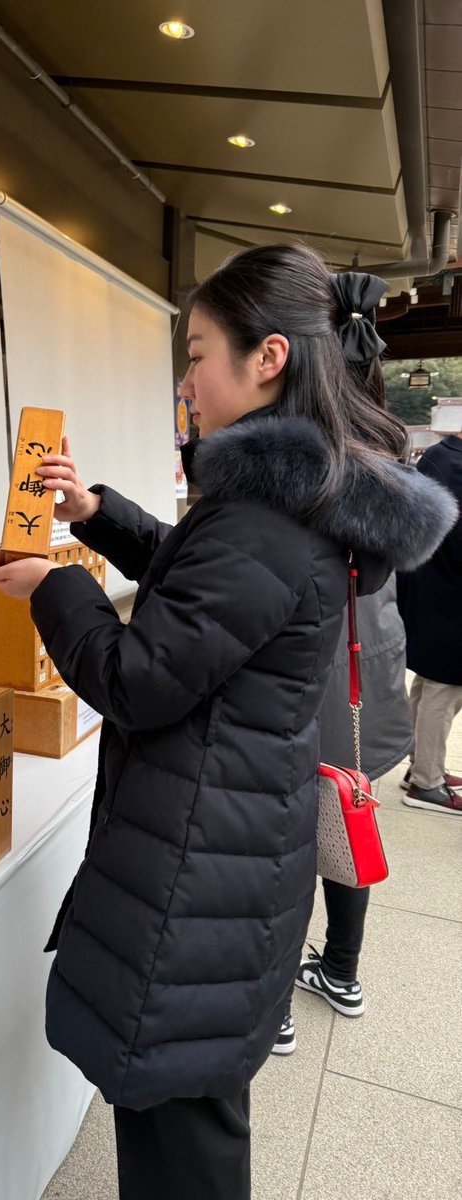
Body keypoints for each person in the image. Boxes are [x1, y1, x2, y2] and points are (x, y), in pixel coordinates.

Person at [0, 243, 458, 1200]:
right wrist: (93, 513)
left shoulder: (261, 519)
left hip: (198, 872)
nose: (186, 378)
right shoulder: (288, 498)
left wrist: (53, 590)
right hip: (231, 844)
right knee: (191, 1122)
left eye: (199, 352)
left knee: (180, 1140)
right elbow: (196, 575)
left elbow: (140, 676)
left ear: (269, 357)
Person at [273, 323, 416, 1056]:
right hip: (373, 663)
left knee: (302, 827)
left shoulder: (310, 468)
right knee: (350, 812)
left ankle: (279, 1010)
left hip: (323, 668)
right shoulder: (389, 462)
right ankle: (342, 971)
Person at [272, 571, 414, 1055]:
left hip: (310, 687)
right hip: (367, 677)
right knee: (346, 828)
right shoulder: (389, 504)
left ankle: (277, 1010)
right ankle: (340, 972)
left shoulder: (299, 501)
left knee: (288, 850)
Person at [396, 426, 462, 816]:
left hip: (428, 588)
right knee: (447, 689)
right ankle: (427, 785)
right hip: (450, 595)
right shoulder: (456, 467)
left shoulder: (439, 457)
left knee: (428, 683)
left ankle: (420, 765)